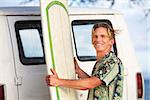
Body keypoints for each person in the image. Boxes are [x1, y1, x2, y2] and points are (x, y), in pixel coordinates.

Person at [46, 22, 124, 100]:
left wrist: (59, 82)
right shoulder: (101, 62)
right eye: (95, 36)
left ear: (111, 41)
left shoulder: (112, 62)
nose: (98, 39)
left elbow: (90, 84)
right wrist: (79, 71)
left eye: (103, 36)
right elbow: (93, 84)